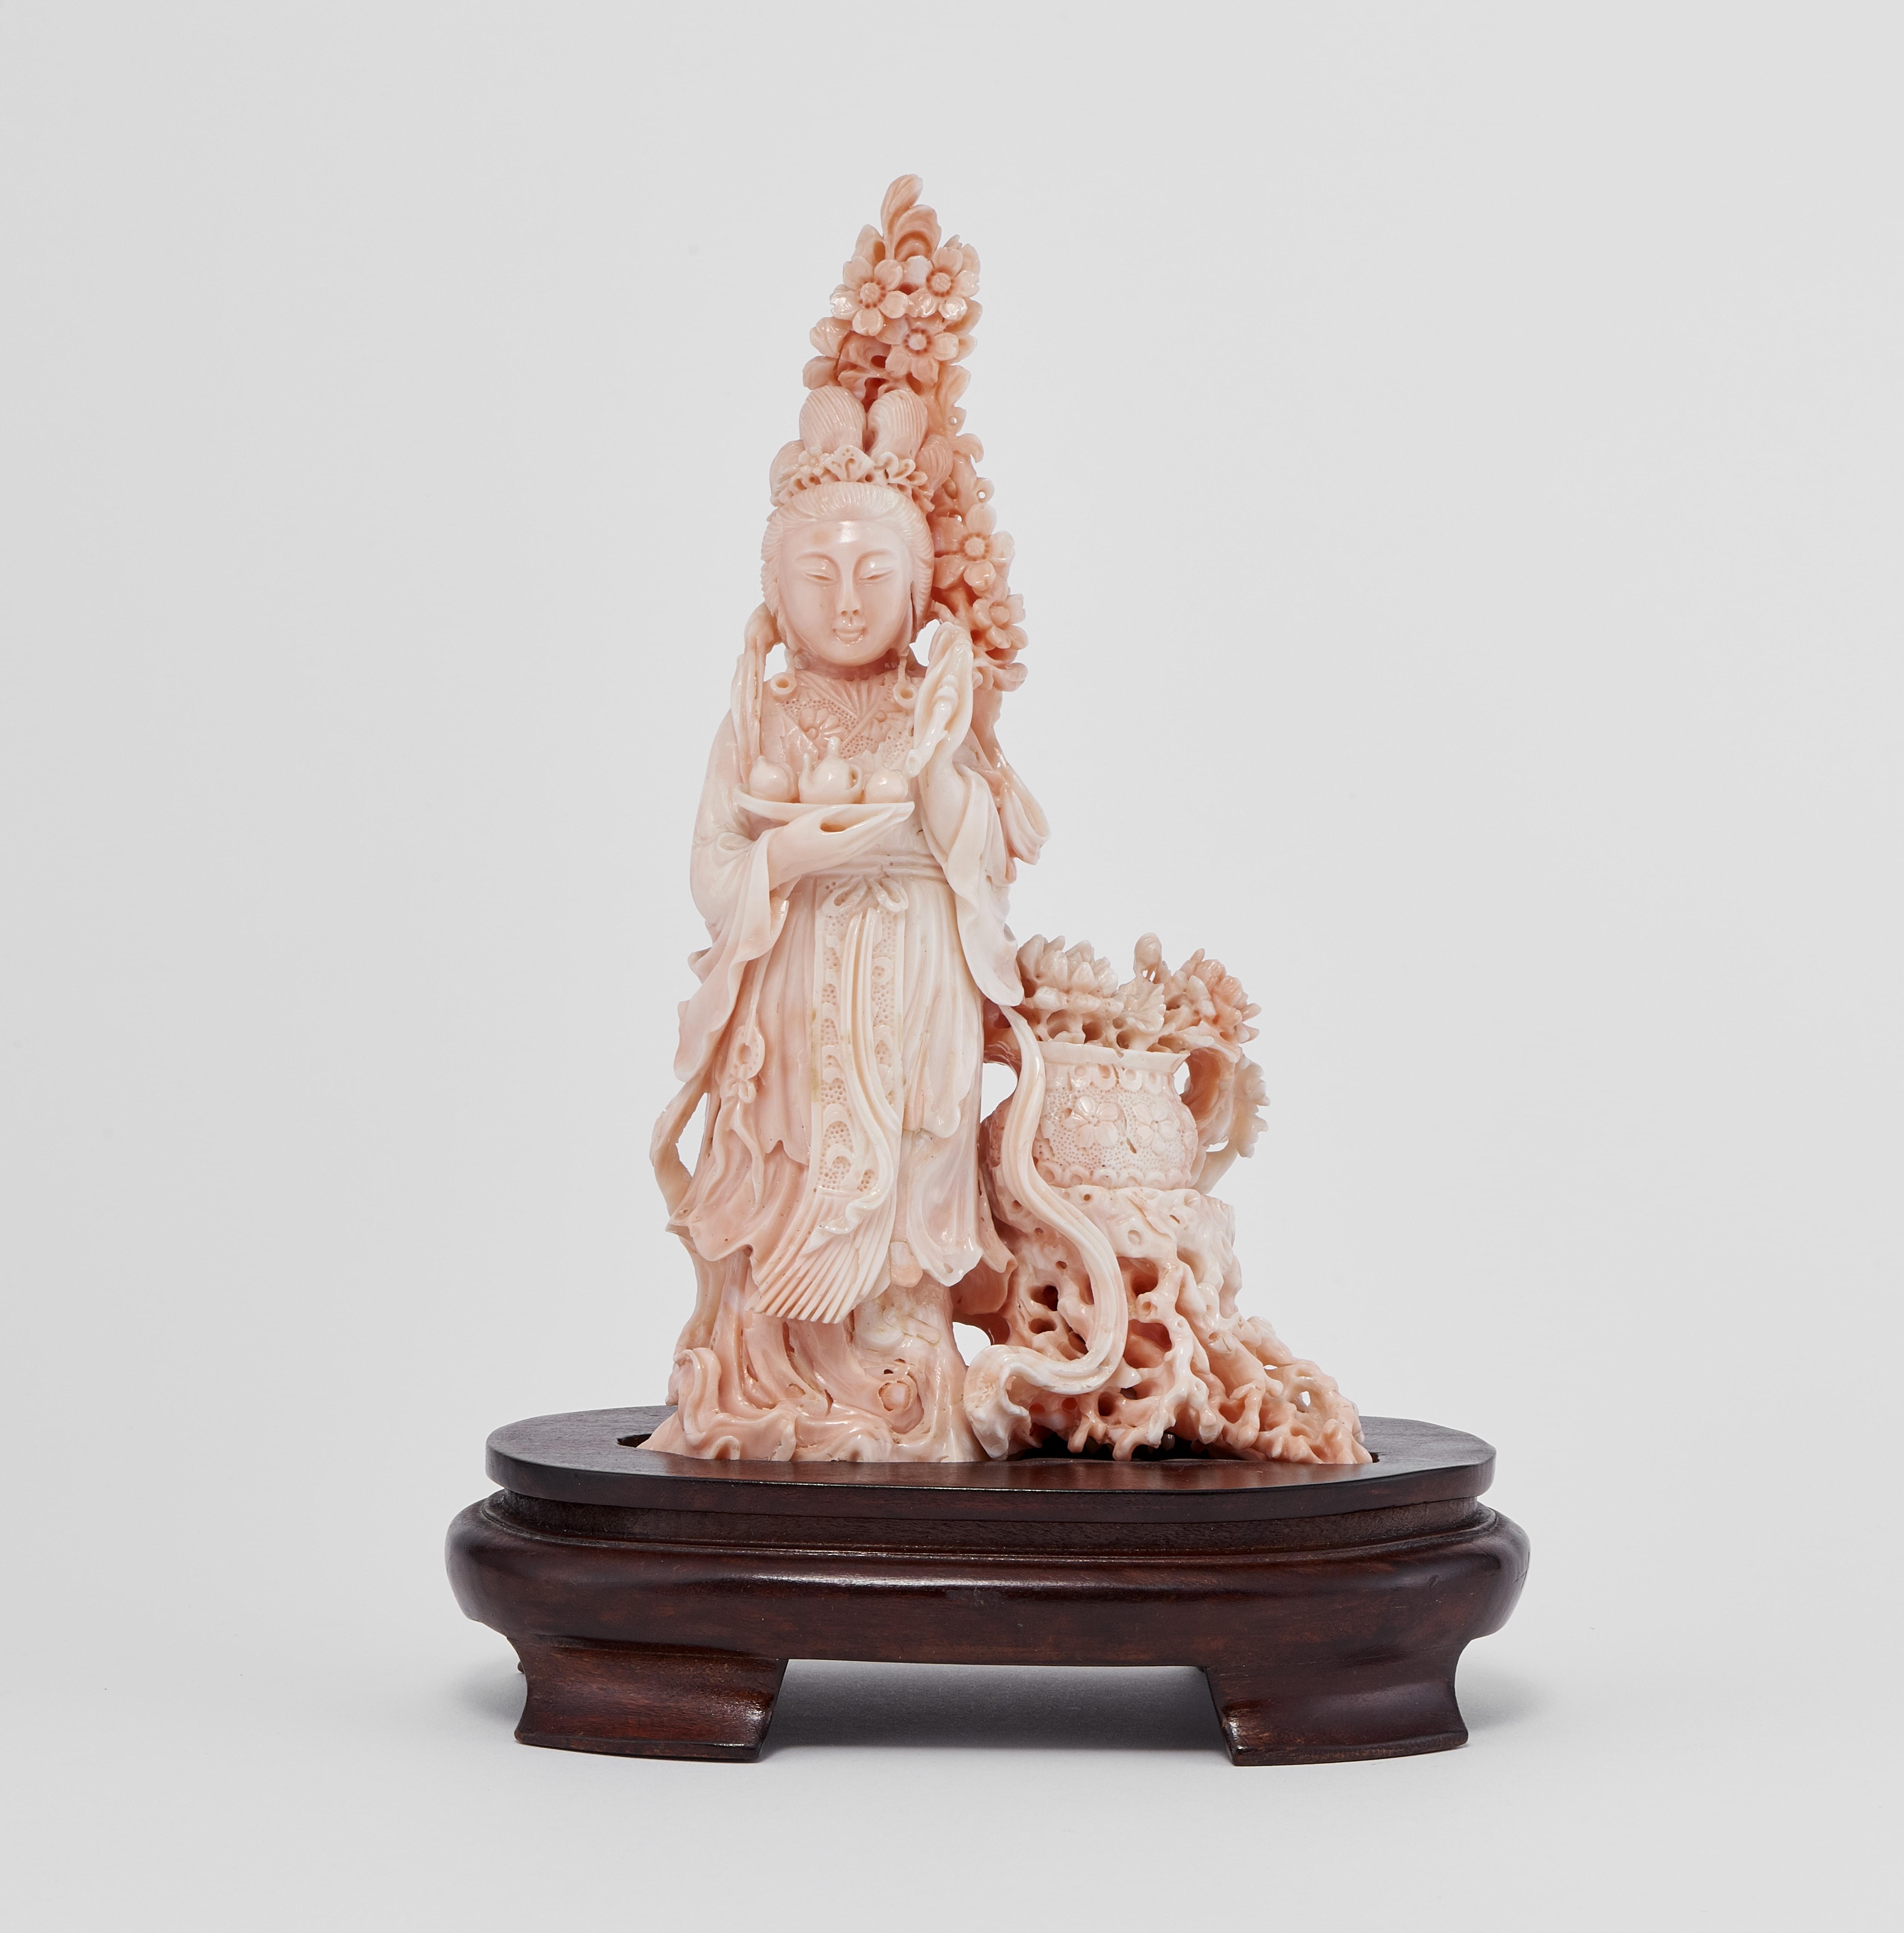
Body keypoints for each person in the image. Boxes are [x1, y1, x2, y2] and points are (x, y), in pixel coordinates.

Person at [647, 381, 1041, 1459]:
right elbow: (713, 866)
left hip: (915, 969)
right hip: (796, 966)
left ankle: (906, 1382)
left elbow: (986, 858)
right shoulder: (761, 714)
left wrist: (942, 766)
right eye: (819, 578)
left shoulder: (936, 706)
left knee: (910, 1162)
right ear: (777, 590)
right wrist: (788, 855)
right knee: (785, 1159)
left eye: (876, 576)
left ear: (917, 589)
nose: (850, 604)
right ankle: (770, 1373)